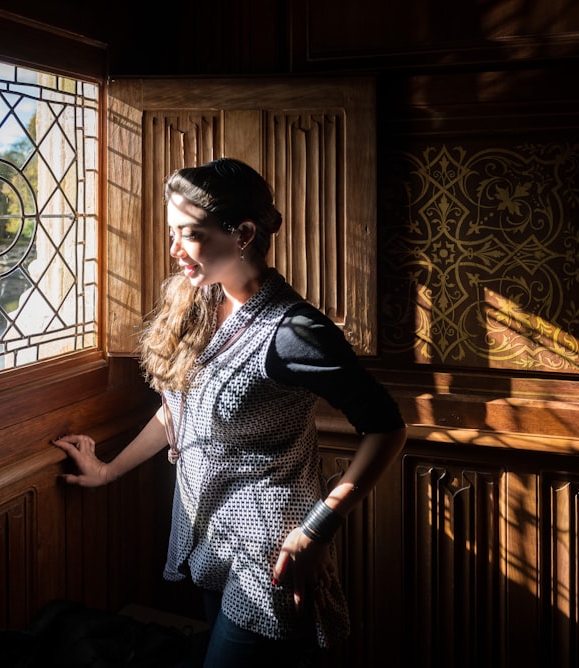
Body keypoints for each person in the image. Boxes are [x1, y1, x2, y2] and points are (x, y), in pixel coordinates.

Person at [52, 157, 407, 667]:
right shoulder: (198, 302)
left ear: (242, 233)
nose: (174, 250)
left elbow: (387, 429)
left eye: (190, 234)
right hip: (205, 532)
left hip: (270, 547)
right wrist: (107, 471)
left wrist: (317, 529)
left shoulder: (294, 332)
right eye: (172, 232)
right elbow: (180, 411)